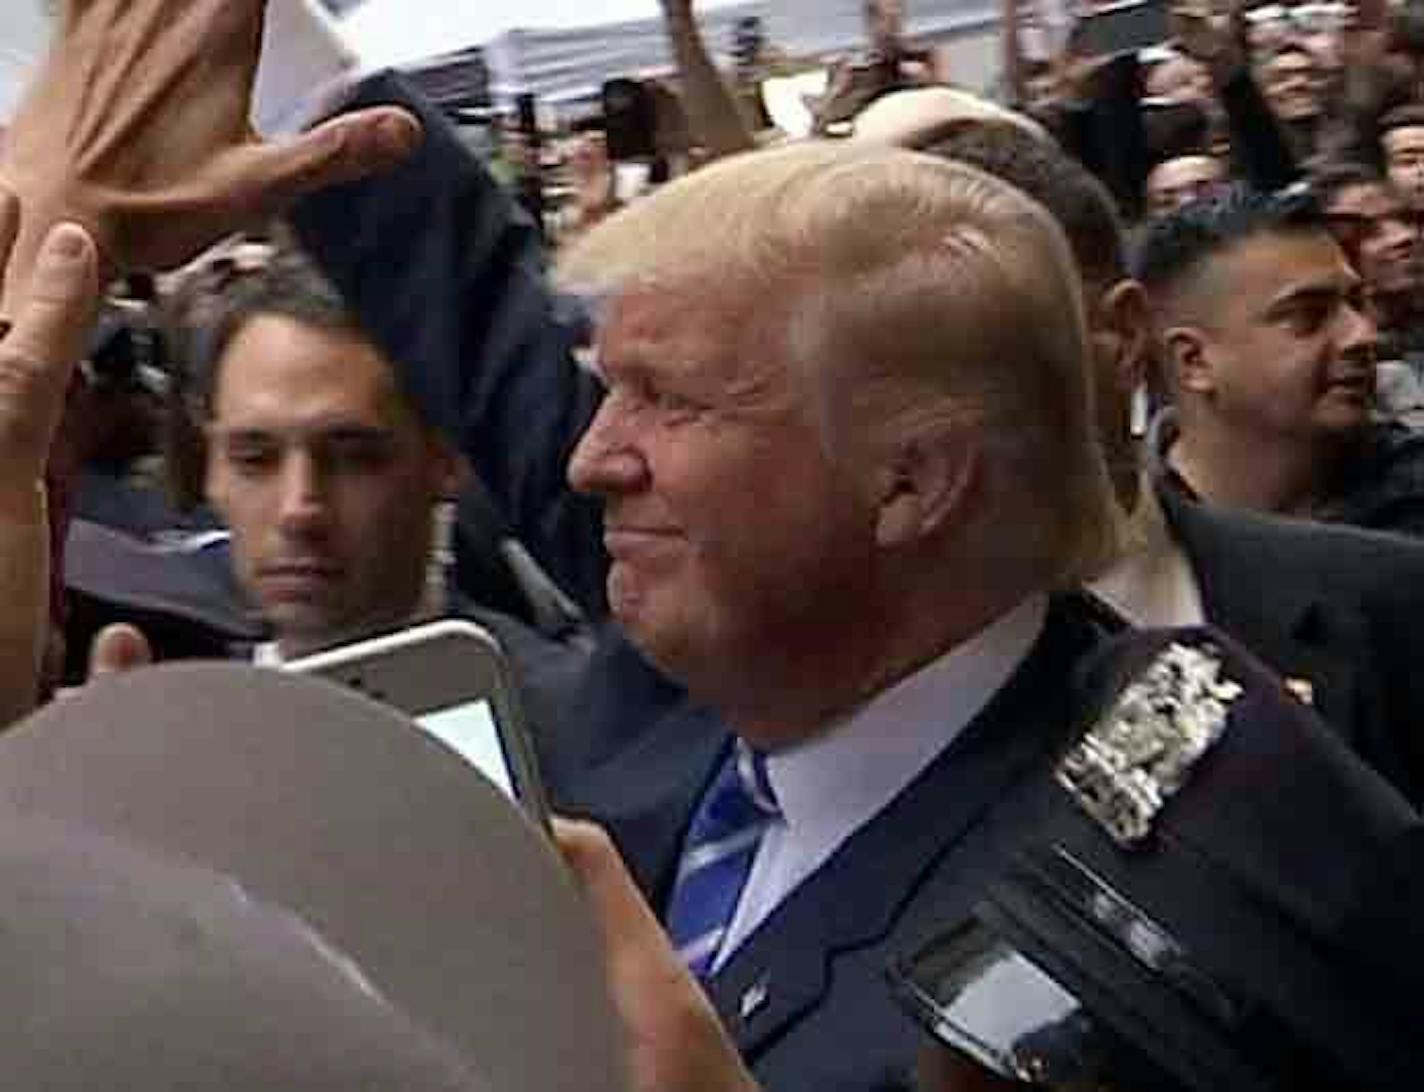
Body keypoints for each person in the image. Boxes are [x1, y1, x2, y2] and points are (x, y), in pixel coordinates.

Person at [896, 118, 1424, 803]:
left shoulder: (1386, 595)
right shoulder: (885, 681)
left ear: (1120, 331)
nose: (1362, 337)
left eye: (980, 341)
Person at [1137, 183, 1424, 536]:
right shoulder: (1119, 540)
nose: (1363, 334)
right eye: (1308, 314)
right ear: (1194, 361)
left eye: (1356, 302)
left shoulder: (1410, 498)